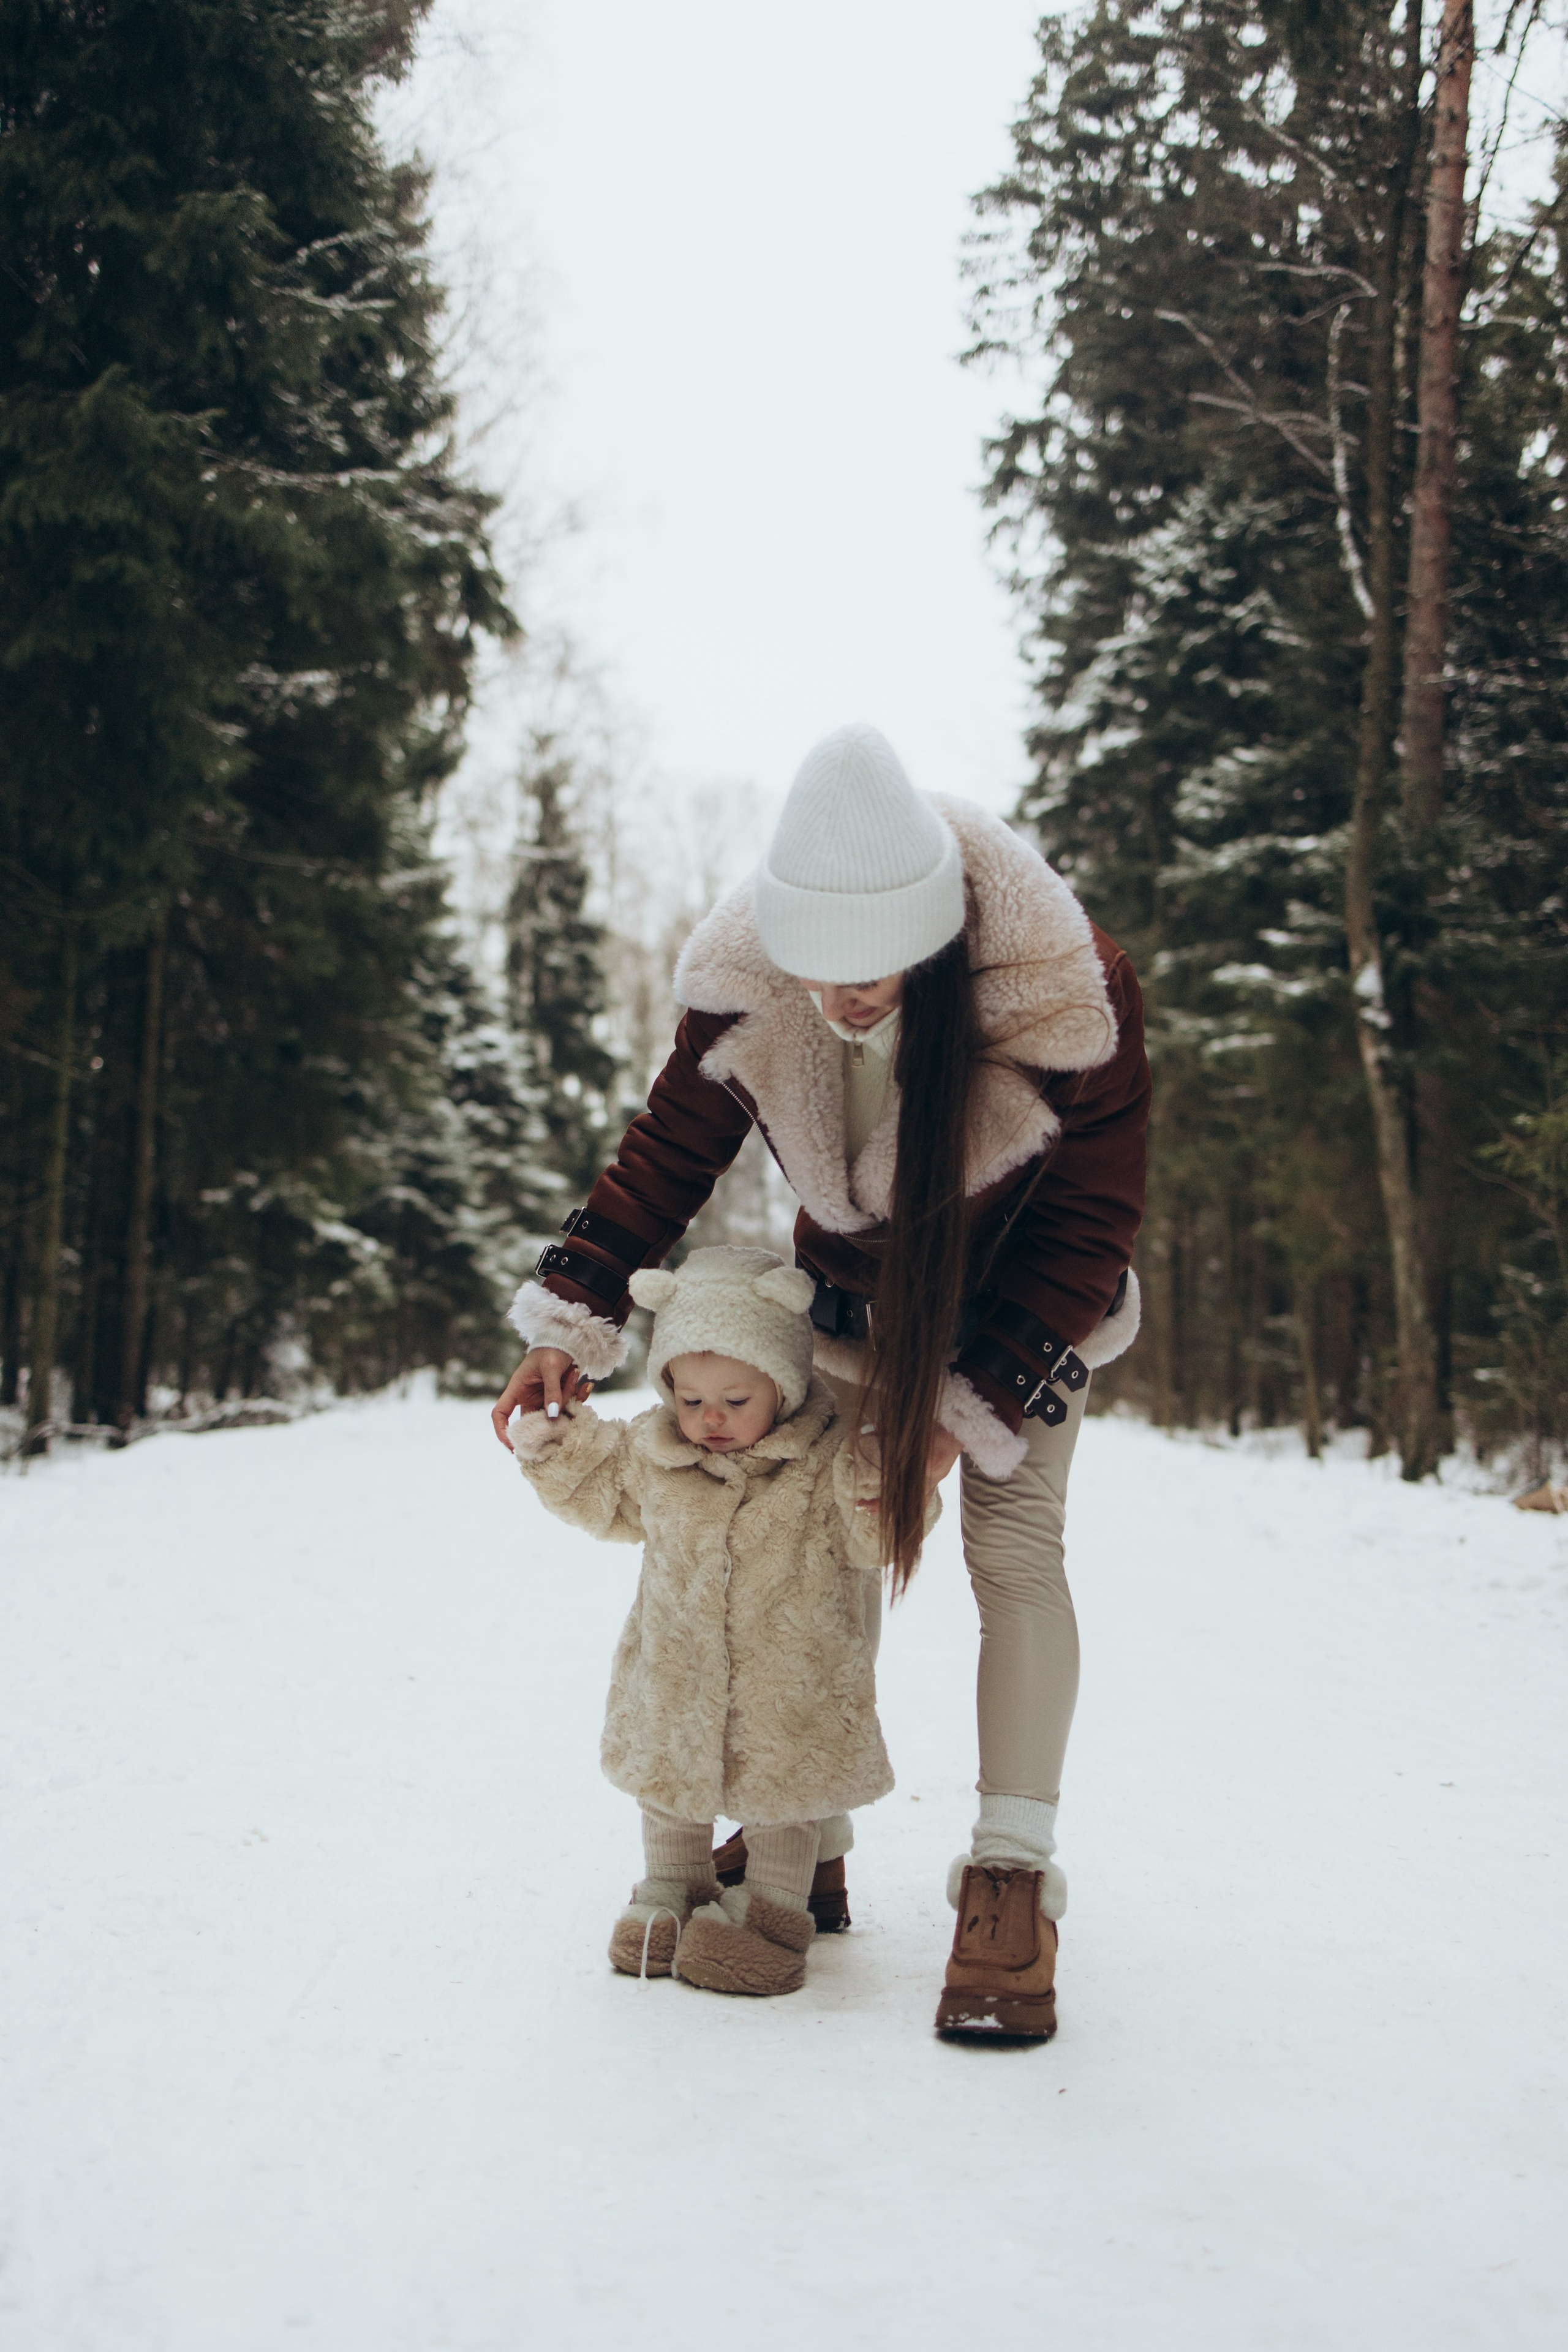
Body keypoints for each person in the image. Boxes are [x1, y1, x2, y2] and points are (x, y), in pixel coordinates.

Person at [493, 722, 1150, 2039]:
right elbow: (667, 1152)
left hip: (1028, 1315)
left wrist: (960, 1418)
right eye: (820, 974)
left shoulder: (1068, 992)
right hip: (851, 1314)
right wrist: (574, 1308)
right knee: (816, 1562)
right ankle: (810, 1828)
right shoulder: (749, 981)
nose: (844, 999)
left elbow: (1087, 1227)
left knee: (1011, 1558)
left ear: (941, 935)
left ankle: (1010, 1882)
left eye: (877, 975)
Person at [511, 1245, 906, 1997]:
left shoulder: (823, 1465)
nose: (710, 1419)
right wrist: (555, 1449)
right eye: (688, 1401)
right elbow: (599, 1493)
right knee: (668, 1773)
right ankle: (674, 1888)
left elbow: (874, 1538)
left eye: (734, 1399)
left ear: (785, 1388)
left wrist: (884, 1485)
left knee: (783, 1786)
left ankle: (775, 1912)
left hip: (791, 1672)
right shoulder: (653, 1455)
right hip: (675, 1665)